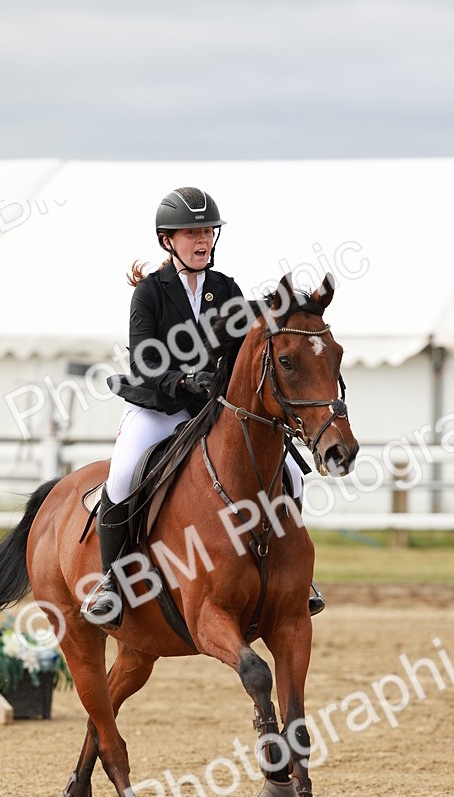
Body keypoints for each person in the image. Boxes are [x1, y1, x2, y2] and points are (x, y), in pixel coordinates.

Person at [81, 186, 325, 629]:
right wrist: (182, 379)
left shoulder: (223, 288)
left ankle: (295, 577)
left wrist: (290, 307)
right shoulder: (151, 294)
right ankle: (112, 585)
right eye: (190, 232)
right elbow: (145, 360)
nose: (201, 240)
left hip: (210, 409)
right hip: (158, 406)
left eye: (207, 231)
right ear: (167, 240)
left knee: (288, 473)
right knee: (122, 475)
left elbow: (255, 332)